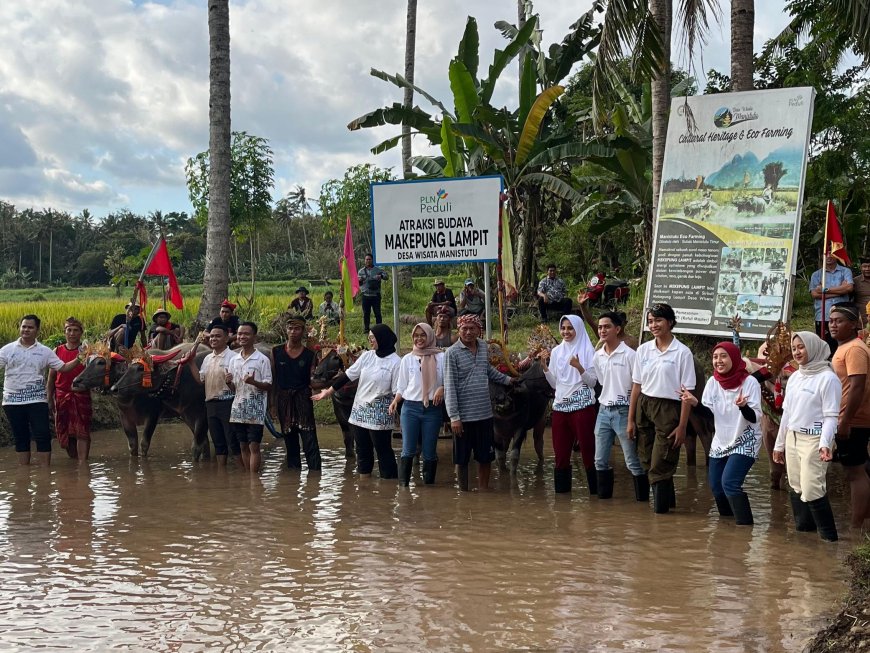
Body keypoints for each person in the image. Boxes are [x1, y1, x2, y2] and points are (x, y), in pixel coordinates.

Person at [681, 342, 762, 525]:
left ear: (734, 358)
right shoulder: (712, 382)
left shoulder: (750, 383)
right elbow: (710, 416)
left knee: (730, 484)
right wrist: (695, 403)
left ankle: (745, 527)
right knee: (717, 487)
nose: (719, 360)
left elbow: (755, 417)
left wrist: (743, 407)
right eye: (715, 356)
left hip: (745, 439)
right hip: (721, 440)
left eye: (724, 356)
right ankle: (726, 526)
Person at [627, 303, 696, 514]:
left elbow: (687, 393)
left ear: (670, 323)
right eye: (650, 321)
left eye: (658, 320)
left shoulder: (682, 353)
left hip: (669, 409)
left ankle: (661, 514)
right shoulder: (643, 350)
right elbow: (636, 386)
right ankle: (668, 504)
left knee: (661, 460)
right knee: (646, 459)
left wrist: (683, 426)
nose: (653, 325)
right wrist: (630, 420)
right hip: (645, 405)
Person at [773, 332, 841, 541]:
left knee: (812, 488)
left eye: (801, 347)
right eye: (794, 348)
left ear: (813, 347)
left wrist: (825, 443)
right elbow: (787, 414)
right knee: (796, 485)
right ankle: (805, 537)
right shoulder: (795, 377)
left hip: (815, 438)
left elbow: (831, 416)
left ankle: (829, 540)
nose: (797, 352)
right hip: (793, 436)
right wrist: (779, 444)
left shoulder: (828, 378)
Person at [313, 324, 399, 479]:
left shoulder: (395, 362)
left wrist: (398, 409)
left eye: (373, 337)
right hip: (360, 411)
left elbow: (397, 391)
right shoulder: (367, 356)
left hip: (380, 412)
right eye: (369, 337)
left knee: (383, 450)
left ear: (382, 338)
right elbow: (348, 376)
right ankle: (364, 486)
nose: (370, 340)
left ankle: (389, 488)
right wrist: (329, 391)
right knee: (362, 450)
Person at [0, 315, 88, 466]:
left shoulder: (45, 351)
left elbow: (63, 368)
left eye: (30, 327)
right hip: (12, 401)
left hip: (37, 400)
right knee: (20, 437)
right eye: (24, 326)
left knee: (42, 436)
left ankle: (45, 474)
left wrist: (80, 357)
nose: (26, 330)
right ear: (20, 328)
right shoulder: (7, 350)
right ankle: (24, 471)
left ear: (37, 330)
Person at [444, 314, 515, 491]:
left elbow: (487, 370)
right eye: (464, 328)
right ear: (458, 330)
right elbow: (449, 386)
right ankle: (464, 494)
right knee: (462, 459)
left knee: (485, 457)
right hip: (463, 417)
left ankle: (483, 492)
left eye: (472, 328)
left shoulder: (483, 347)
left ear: (478, 330)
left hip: (484, 414)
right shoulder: (451, 353)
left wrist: (508, 380)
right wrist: (454, 417)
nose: (468, 332)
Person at [539, 314, 598, 495]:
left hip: (583, 406)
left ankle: (596, 494)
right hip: (561, 407)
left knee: (588, 450)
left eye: (570, 328)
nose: (566, 332)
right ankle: (562, 499)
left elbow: (593, 382)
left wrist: (579, 367)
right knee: (561, 454)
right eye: (563, 328)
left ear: (578, 329)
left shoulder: (588, 351)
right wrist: (545, 368)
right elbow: (556, 384)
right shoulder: (557, 352)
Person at [592, 312, 646, 500]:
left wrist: (631, 419)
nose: (602, 330)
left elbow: (637, 387)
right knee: (599, 460)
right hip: (603, 411)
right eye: (600, 327)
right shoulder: (597, 356)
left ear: (617, 329)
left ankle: (643, 501)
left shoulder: (630, 355)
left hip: (623, 410)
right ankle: (603, 506)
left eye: (606, 326)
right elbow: (601, 381)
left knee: (632, 461)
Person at [828, 303, 870, 531]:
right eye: (831, 320)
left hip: (853, 419)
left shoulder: (854, 349)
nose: (833, 324)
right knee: (859, 468)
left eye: (839, 320)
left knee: (854, 472)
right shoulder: (845, 347)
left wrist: (845, 421)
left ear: (853, 324)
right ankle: (865, 522)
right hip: (848, 417)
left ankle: (855, 527)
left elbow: (857, 387)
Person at [389, 323, 445, 486]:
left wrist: (442, 388)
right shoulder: (407, 359)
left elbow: (449, 380)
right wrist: (395, 401)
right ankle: (403, 489)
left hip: (432, 410)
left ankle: (429, 490)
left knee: (429, 452)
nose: (419, 339)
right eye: (416, 335)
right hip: (410, 409)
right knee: (408, 449)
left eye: (423, 335)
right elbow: (402, 386)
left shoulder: (441, 357)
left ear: (430, 336)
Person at [272, 316, 322, 472]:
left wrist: (332, 382)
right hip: (283, 399)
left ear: (303, 331)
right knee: (289, 440)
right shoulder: (276, 351)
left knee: (310, 440)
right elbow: (273, 380)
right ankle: (293, 480)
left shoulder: (309, 355)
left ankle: (315, 476)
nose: (293, 332)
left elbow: (313, 381)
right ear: (286, 330)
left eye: (297, 329)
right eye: (290, 328)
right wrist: (272, 404)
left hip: (303, 399)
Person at [188, 324, 241, 467]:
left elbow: (240, 385)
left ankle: (244, 474)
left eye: (218, 336)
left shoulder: (234, 358)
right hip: (210, 403)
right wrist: (191, 363)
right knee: (218, 441)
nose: (213, 339)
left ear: (227, 338)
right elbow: (201, 380)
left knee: (233, 440)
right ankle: (221, 473)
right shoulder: (207, 358)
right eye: (211, 336)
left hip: (228, 401)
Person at [226, 322, 273, 474]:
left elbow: (268, 385)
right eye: (239, 334)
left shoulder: (261, 359)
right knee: (242, 445)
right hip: (238, 407)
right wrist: (228, 383)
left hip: (256, 408)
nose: (242, 337)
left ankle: (254, 479)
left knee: (254, 446)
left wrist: (253, 382)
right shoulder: (234, 360)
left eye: (246, 334)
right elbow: (234, 389)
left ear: (254, 336)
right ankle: (249, 478)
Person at [47, 317, 92, 463]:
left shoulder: (88, 351)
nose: (72, 333)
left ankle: (83, 466)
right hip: (61, 395)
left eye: (75, 330)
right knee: (65, 432)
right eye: (69, 330)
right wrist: (49, 398)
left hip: (81, 394)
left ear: (81, 332)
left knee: (82, 431)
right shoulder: (58, 350)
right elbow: (52, 377)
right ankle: (75, 460)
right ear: (65, 332)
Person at [810, 253, 854, 355]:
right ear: (822, 256)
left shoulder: (845, 271)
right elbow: (815, 294)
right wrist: (840, 291)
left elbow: (849, 288)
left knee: (843, 345)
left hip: (843, 315)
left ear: (837, 256)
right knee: (824, 347)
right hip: (823, 315)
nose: (828, 257)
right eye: (826, 254)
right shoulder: (816, 275)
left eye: (831, 254)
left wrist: (825, 290)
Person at [358, 253, 388, 332]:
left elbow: (386, 276)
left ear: (372, 260)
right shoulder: (361, 271)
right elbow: (357, 283)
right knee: (366, 313)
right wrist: (359, 280)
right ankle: (366, 328)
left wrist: (380, 276)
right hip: (365, 295)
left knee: (377, 313)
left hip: (376, 295)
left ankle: (379, 328)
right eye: (366, 259)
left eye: (369, 259)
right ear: (365, 261)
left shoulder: (378, 269)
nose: (368, 261)